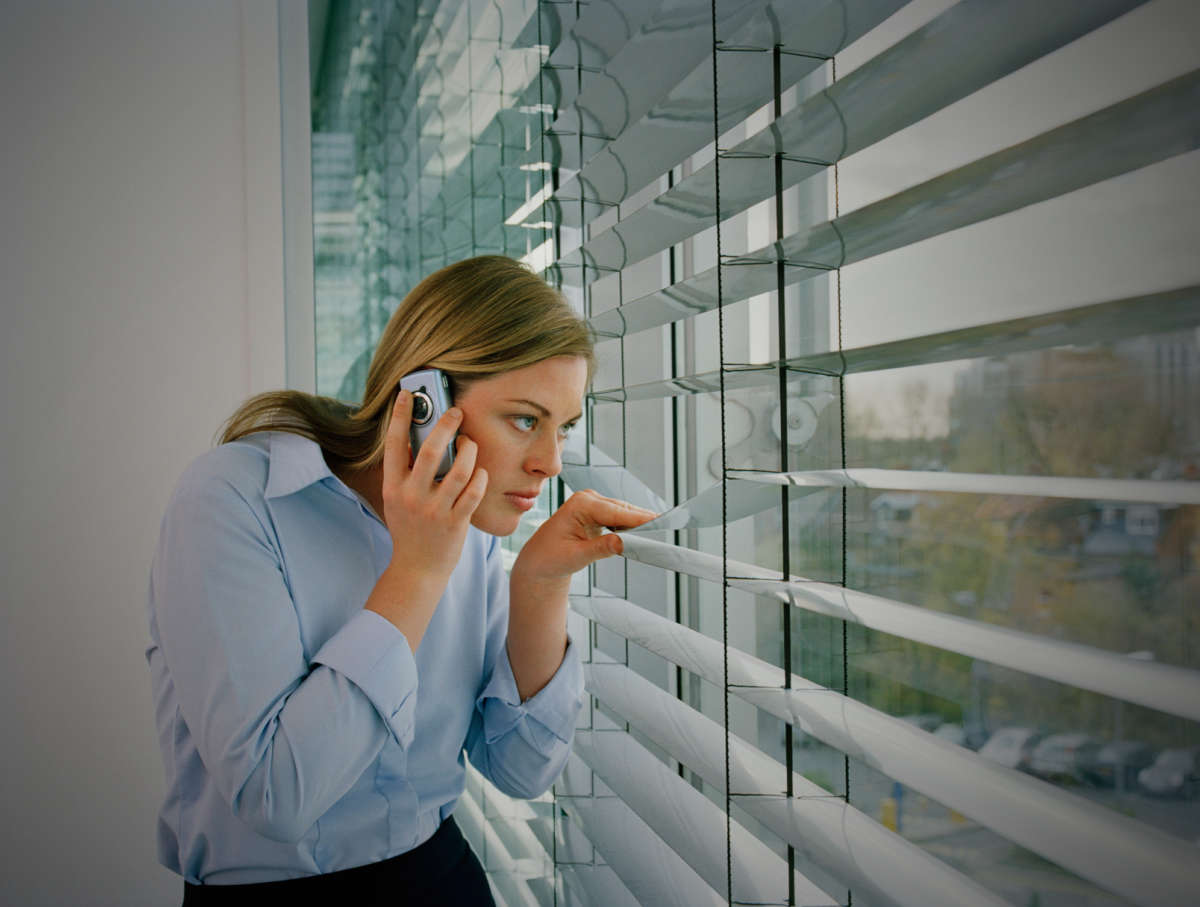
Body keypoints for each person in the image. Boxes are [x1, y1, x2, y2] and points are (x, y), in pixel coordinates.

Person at [145, 255, 655, 904]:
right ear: (423, 401)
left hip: (442, 880)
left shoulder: (467, 530)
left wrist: (539, 583)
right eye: (526, 419)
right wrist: (415, 570)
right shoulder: (232, 500)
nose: (550, 462)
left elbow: (523, 770)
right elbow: (275, 794)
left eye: (564, 427)